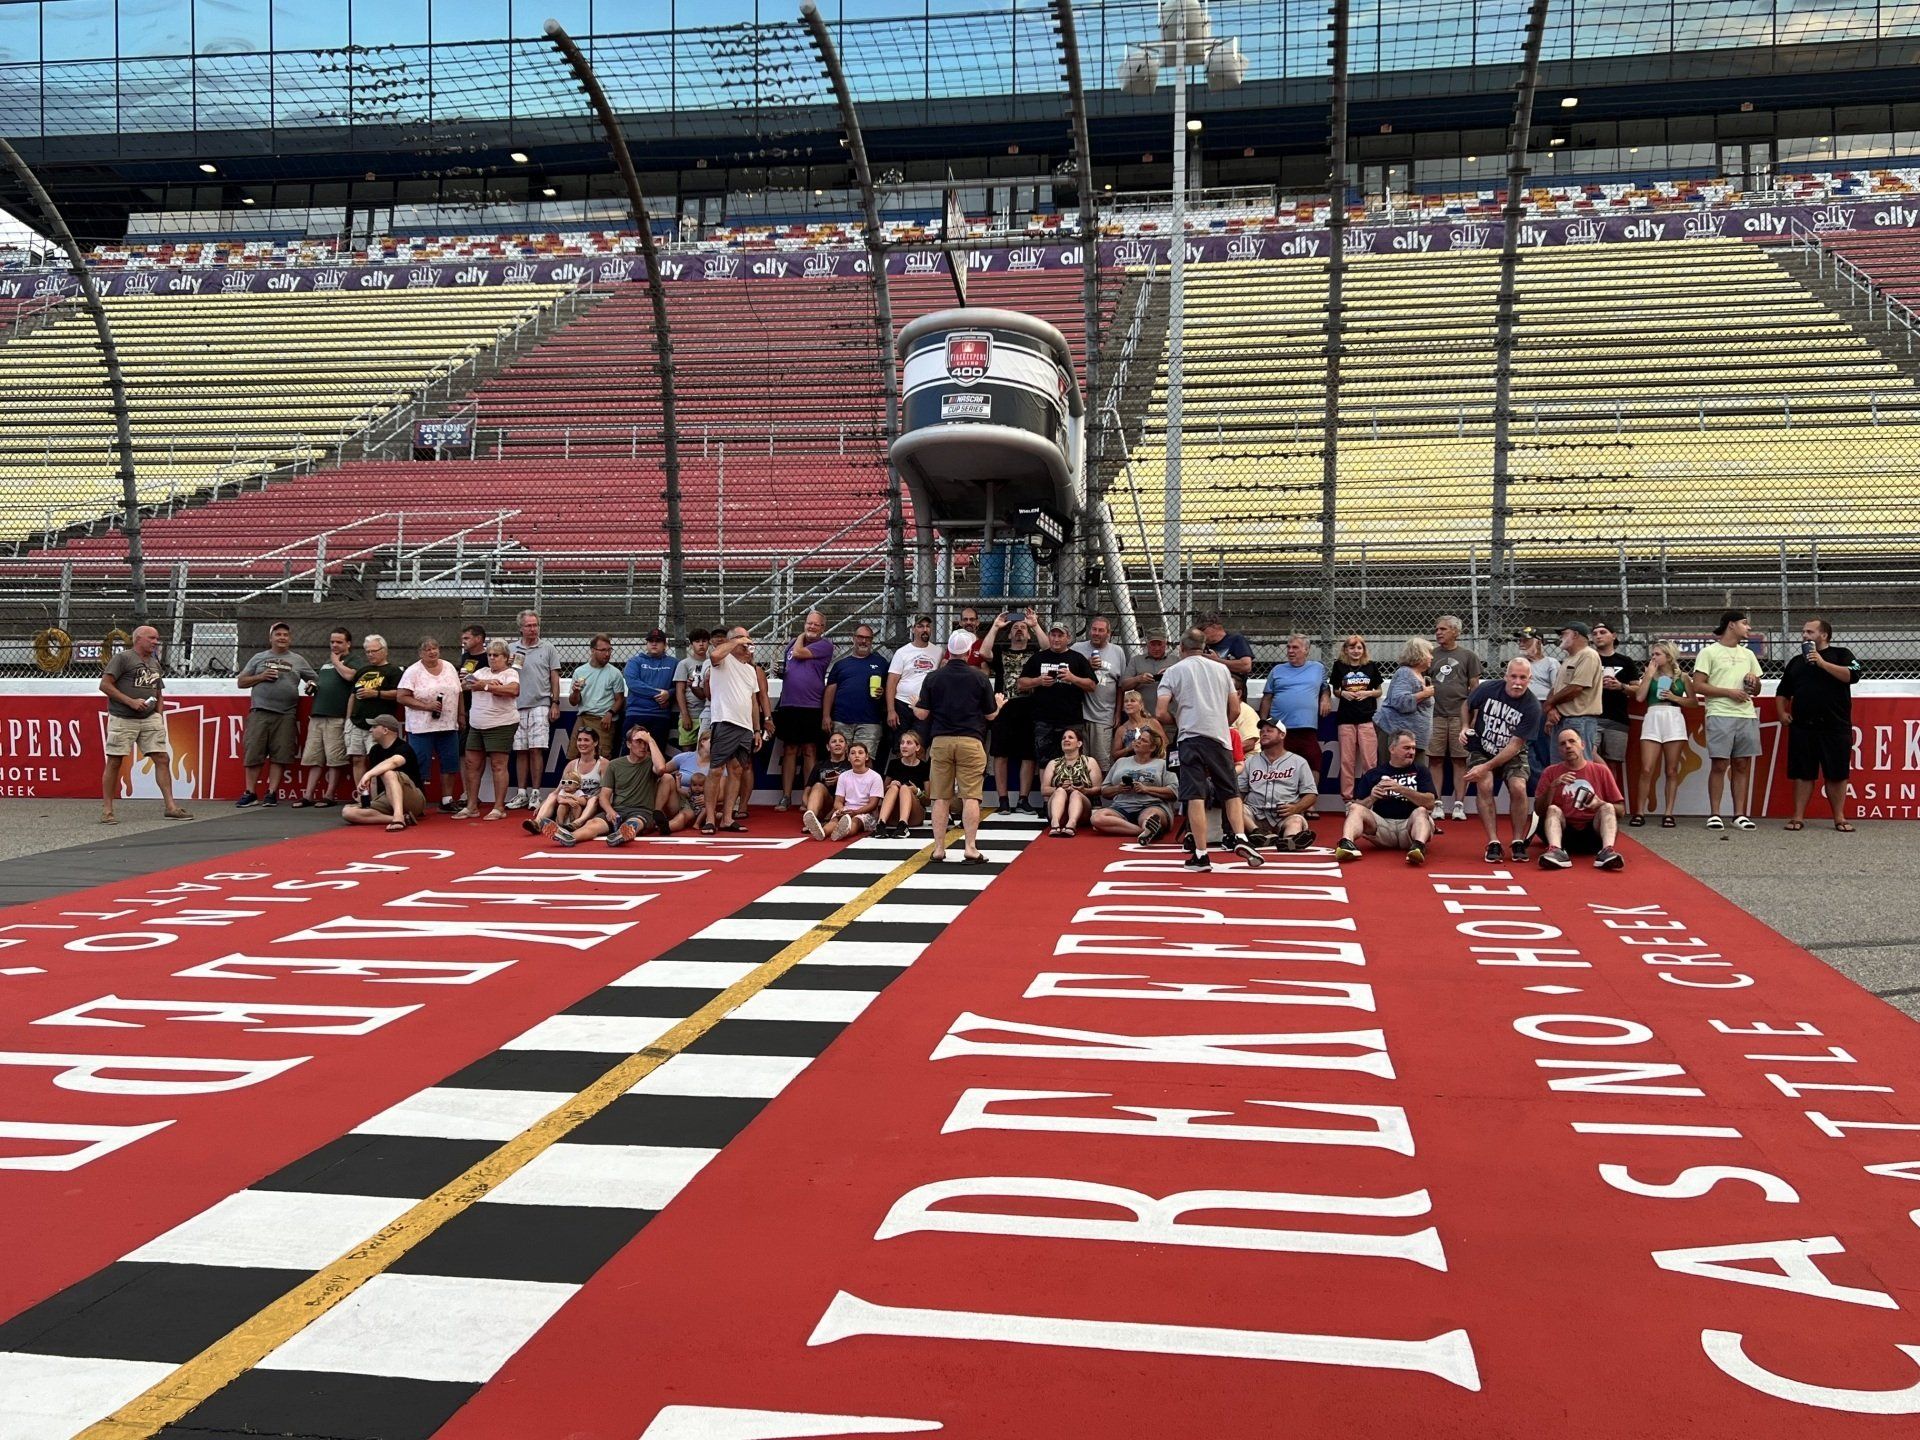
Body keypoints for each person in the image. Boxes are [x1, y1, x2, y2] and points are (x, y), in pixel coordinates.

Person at [1157, 627, 1264, 871]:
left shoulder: (1174, 671)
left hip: (1190, 738)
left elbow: (1160, 712)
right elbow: (1235, 709)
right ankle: (1240, 836)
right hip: (1219, 737)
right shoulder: (1222, 670)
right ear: (1204, 647)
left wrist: (1178, 720)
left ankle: (1201, 854)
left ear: (1181, 648)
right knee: (1230, 790)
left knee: (1195, 795)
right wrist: (1220, 723)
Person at [914, 627, 1001, 863]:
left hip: (941, 740)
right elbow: (991, 715)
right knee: (971, 796)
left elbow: (922, 714)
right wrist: (1000, 704)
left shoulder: (933, 677)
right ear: (968, 651)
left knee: (940, 797)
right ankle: (970, 847)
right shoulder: (980, 678)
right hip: (971, 740)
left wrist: (914, 705)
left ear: (949, 651)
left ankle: (939, 848)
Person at [1778, 617, 1863, 833]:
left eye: (1810, 632)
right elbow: (1783, 691)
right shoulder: (1796, 662)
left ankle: (1839, 817)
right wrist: (1781, 712)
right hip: (1803, 726)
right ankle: (1797, 817)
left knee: (1837, 773)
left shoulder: (1842, 654)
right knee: (1802, 774)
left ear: (1823, 635)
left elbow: (1854, 675)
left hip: (1835, 725)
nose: (1804, 636)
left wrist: (1822, 663)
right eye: (1803, 632)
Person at [99, 624, 190, 823]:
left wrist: (159, 714)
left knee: (162, 758)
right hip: (123, 717)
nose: (156, 642)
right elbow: (105, 685)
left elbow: (158, 691)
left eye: (157, 638)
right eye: (152, 638)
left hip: (149, 718)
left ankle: (171, 806)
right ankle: (107, 810)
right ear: (138, 638)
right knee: (115, 760)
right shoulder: (123, 658)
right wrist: (130, 701)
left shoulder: (154, 662)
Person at [1461, 658, 1543, 864]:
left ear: (1529, 679)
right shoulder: (1488, 689)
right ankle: (1493, 842)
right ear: (1506, 676)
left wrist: (1486, 767)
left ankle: (1517, 840)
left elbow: (1515, 745)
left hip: (1512, 752)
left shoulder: (1532, 707)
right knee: (1485, 784)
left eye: (1522, 678)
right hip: (1481, 746)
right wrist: (1463, 727)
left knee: (1518, 787)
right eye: (1513, 676)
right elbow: (1467, 704)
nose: (1517, 682)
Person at [1689, 610, 1764, 831]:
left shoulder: (1748, 655)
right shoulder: (1709, 652)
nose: (1748, 628)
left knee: (1742, 764)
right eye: (1744, 623)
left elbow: (1757, 690)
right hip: (1720, 713)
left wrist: (1753, 682)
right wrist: (1728, 692)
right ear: (1731, 625)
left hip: (1746, 714)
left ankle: (1739, 814)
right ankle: (1715, 814)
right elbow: (1698, 685)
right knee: (1720, 764)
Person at [235, 621, 315, 807]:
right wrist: (260, 677)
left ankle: (272, 793)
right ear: (270, 638)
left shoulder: (298, 660)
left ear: (290, 639)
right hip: (260, 712)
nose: (282, 638)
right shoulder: (258, 658)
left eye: (285, 635)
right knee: (254, 754)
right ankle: (250, 793)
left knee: (280, 755)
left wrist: (312, 685)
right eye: (278, 634)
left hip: (286, 714)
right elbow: (241, 682)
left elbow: (314, 679)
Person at [1335, 730, 1438, 863]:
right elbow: (1358, 807)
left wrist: (1401, 789)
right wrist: (1372, 797)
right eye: (1406, 748)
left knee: (1422, 811)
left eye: (1413, 748)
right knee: (1355, 808)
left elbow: (1430, 803)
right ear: (1392, 749)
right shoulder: (1374, 773)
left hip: (1409, 828)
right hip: (1383, 828)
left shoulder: (1421, 770)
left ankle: (1418, 847)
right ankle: (1346, 844)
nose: (1412, 752)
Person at [1534, 728, 1626, 870]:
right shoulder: (1550, 772)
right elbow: (1539, 811)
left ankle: (1607, 851)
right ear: (1559, 750)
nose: (1568, 746)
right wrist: (1552, 787)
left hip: (1593, 834)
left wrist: (1599, 803)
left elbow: (1621, 811)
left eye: (1572, 741)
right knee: (1552, 809)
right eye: (1563, 744)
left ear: (1582, 745)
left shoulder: (1600, 770)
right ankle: (1556, 851)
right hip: (1564, 834)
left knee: (1607, 807)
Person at [572, 724, 680, 846]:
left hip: (642, 812)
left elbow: (661, 769)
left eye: (645, 743)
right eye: (638, 742)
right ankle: (570, 837)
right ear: (629, 744)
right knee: (593, 824)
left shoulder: (651, 762)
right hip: (618, 810)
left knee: (633, 824)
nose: (643, 746)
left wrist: (650, 740)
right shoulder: (614, 765)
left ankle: (621, 835)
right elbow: (604, 796)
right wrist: (610, 811)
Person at [702, 624, 764, 833]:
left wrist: (756, 729)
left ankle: (727, 818)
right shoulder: (723, 660)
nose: (747, 643)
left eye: (748, 639)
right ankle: (710, 818)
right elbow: (715, 654)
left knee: (737, 770)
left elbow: (754, 702)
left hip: (745, 727)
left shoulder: (750, 670)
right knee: (716, 770)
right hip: (725, 721)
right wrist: (737, 640)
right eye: (742, 639)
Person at [775, 611, 835, 812]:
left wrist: (799, 637)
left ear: (822, 628)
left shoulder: (824, 645)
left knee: (810, 750)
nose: (811, 627)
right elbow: (791, 666)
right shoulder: (791, 645)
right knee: (790, 749)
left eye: (816, 625)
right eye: (808, 623)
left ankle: (807, 797)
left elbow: (800, 653)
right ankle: (786, 796)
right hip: (789, 704)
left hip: (811, 705)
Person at [455, 639, 520, 820]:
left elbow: (513, 690)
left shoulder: (511, 673)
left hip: (501, 724)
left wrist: (484, 686)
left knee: (498, 765)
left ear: (506, 657)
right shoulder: (481, 671)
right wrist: (486, 682)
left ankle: (499, 807)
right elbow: (464, 684)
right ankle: (471, 806)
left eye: (496, 655)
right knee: (471, 765)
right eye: (490, 655)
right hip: (476, 724)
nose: (492, 658)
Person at [1426, 615, 1482, 824]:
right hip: (1435, 715)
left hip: (1460, 717)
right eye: (1437, 629)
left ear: (1455, 632)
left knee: (1460, 760)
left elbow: (1475, 688)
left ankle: (1459, 804)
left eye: (1443, 629)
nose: (1438, 632)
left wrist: (1474, 716)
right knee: (1435, 759)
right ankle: (1437, 803)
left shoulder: (1468, 656)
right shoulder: (1430, 655)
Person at [397, 635, 463, 813]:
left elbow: (459, 692)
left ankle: (447, 799)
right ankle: (417, 801)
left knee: (450, 762)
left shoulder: (449, 667)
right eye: (427, 649)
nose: (432, 652)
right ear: (420, 653)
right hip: (421, 726)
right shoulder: (413, 671)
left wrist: (461, 715)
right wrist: (426, 706)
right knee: (420, 763)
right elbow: (401, 696)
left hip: (448, 724)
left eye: (435, 648)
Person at [1631, 641, 1692, 829]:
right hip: (1653, 716)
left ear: (1668, 656)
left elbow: (1693, 702)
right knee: (1647, 768)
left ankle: (1668, 813)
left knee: (1671, 769)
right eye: (1653, 654)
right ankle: (1639, 812)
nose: (1653, 657)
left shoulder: (1683, 676)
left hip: (1673, 717)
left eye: (1657, 654)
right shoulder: (1649, 674)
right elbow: (1640, 697)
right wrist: (1648, 676)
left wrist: (1673, 697)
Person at [1020, 621, 1097, 768]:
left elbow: (1092, 685)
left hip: (1071, 719)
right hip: (1043, 719)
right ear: (1048, 637)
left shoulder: (1077, 658)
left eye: (1060, 635)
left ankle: (1071, 790)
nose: (1056, 639)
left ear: (1068, 638)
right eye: (1053, 635)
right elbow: (1021, 683)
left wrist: (1072, 678)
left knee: (1072, 760)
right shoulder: (1038, 658)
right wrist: (1039, 681)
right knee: (1044, 762)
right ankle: (1047, 790)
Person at [294, 626, 355, 809]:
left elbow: (350, 676)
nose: (335, 645)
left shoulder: (353, 660)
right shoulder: (325, 665)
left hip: (336, 716)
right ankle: (308, 795)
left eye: (339, 642)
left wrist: (336, 661)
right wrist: (313, 685)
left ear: (348, 644)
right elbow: (322, 683)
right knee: (314, 758)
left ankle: (329, 795)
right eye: (332, 642)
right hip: (317, 715)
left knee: (334, 759)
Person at [507, 610, 561, 812]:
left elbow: (554, 677)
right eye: (528, 625)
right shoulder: (510, 649)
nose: (532, 629)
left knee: (536, 749)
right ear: (520, 628)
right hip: (516, 705)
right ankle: (521, 793)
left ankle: (536, 793)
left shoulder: (548, 648)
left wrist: (555, 702)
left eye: (535, 625)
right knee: (520, 750)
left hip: (540, 703)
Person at [1240, 717, 1318, 852]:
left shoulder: (1299, 762)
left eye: (1269, 730)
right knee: (1237, 808)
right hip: (1255, 815)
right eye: (1262, 731)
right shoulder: (1250, 761)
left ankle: (1290, 840)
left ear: (1282, 735)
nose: (1264, 733)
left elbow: (1311, 794)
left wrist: (1296, 808)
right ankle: (1258, 834)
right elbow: (1240, 792)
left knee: (1296, 821)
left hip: (1284, 815)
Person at [524, 723, 609, 843]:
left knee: (594, 798)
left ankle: (577, 823)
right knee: (553, 796)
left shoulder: (603, 763)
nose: (582, 743)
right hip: (571, 799)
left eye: (586, 740)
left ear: (595, 743)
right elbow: (559, 789)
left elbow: (606, 789)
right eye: (579, 740)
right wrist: (544, 804)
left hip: (592, 802)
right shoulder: (571, 764)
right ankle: (537, 823)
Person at [340, 713, 426, 832]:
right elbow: (374, 783)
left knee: (388, 773)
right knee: (348, 812)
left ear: (385, 730)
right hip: (387, 797)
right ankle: (400, 818)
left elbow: (394, 762)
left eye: (374, 727)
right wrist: (371, 804)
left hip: (413, 799)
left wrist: (368, 774)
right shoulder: (375, 750)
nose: (370, 730)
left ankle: (398, 818)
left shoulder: (404, 747)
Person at [1257, 633, 1328, 774]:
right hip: (1280, 728)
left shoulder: (1318, 668)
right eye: (1288, 647)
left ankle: (1310, 795)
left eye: (1295, 647)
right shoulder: (1277, 670)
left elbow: (1325, 687)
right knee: (1278, 766)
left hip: (1306, 727)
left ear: (1306, 650)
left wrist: (1325, 697)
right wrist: (1264, 723)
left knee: (1314, 762)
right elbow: (1267, 698)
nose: (1290, 651)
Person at [1092, 728, 1176, 845]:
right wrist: (1118, 789)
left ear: (1152, 748)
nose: (1138, 741)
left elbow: (1173, 792)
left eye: (1143, 740)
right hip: (1121, 808)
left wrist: (1146, 789)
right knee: (1097, 818)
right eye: (1138, 738)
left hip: (1151, 805)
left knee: (1149, 818)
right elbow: (1104, 791)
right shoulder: (1120, 762)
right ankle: (1144, 831)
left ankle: (1148, 827)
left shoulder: (1162, 764)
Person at [989, 617, 1039, 811]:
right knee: (1001, 753)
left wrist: (1035, 625)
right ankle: (1002, 799)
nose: (1019, 630)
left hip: (1029, 707)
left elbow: (1046, 645)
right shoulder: (1000, 651)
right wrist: (995, 627)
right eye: (1015, 628)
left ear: (1028, 635)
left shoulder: (1035, 654)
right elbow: (984, 652)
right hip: (1004, 707)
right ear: (1009, 634)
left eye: (1023, 628)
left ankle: (1023, 798)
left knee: (1028, 755)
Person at [1591, 622, 1641, 809]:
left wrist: (1621, 686)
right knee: (1589, 755)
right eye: (1594, 633)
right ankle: (1593, 802)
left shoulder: (1625, 661)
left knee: (1614, 762)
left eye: (1603, 632)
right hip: (1592, 716)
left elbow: (1637, 690)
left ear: (1614, 635)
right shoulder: (1589, 658)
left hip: (1618, 718)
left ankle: (1610, 804)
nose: (1598, 636)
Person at [345, 633, 403, 791]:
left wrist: (376, 693)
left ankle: (379, 796)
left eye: (374, 651)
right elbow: (352, 695)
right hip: (356, 723)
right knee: (357, 759)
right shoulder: (362, 671)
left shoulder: (394, 671)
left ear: (384, 650)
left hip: (379, 725)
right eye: (367, 652)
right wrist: (348, 719)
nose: (370, 654)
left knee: (378, 761)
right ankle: (362, 796)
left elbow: (399, 694)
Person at [1328, 635, 1382, 804]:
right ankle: (1348, 800)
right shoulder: (1339, 666)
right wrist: (1343, 693)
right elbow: (1335, 690)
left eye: (1359, 648)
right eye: (1352, 648)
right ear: (1346, 650)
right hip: (1346, 720)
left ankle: (1369, 798)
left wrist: (1368, 693)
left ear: (1363, 650)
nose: (1356, 651)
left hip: (1366, 718)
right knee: (1347, 761)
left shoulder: (1371, 666)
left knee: (1369, 762)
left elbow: (1379, 690)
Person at [822, 622, 888, 756]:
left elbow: (890, 688)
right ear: (854, 638)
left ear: (872, 641)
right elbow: (830, 691)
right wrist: (826, 716)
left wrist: (883, 691)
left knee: (866, 760)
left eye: (868, 638)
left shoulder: (881, 663)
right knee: (841, 759)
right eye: (860, 637)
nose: (864, 641)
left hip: (870, 722)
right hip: (841, 720)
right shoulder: (840, 665)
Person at [1070, 615, 1127, 762]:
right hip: (1079, 714)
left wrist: (1118, 713)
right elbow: (1067, 677)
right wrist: (1086, 666)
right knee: (1079, 759)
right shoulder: (1077, 648)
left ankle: (1101, 785)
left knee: (1102, 760)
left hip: (1104, 714)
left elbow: (1120, 686)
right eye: (1094, 629)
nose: (1096, 633)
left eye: (1101, 630)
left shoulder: (1117, 651)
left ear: (1108, 634)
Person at [1545, 621, 1603, 760]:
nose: (1560, 637)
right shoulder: (1569, 658)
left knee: (1579, 766)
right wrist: (1551, 709)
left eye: (1564, 633)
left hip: (1579, 719)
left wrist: (1549, 704)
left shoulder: (1588, 655)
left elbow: (1576, 688)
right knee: (1558, 767)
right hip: (1562, 719)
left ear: (1576, 634)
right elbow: (1556, 688)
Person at [568, 632, 628, 764]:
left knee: (602, 758)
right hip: (583, 717)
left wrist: (610, 713)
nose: (607, 654)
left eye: (609, 650)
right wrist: (576, 692)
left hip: (603, 720)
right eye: (603, 650)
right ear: (593, 651)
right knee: (573, 756)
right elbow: (573, 702)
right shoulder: (580, 672)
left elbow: (620, 699)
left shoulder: (615, 673)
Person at [621, 627, 678, 758]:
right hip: (636, 714)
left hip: (660, 716)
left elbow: (679, 687)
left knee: (655, 756)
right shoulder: (635, 661)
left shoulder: (674, 663)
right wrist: (658, 693)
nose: (654, 643)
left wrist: (669, 694)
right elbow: (633, 684)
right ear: (646, 644)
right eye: (650, 640)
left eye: (658, 641)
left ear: (665, 644)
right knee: (628, 755)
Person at [1515, 628, 1560, 791]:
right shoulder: (1518, 662)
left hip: (1542, 707)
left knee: (1545, 750)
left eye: (1526, 640)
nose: (1521, 643)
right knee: (1526, 750)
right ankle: (1542, 788)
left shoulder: (1551, 662)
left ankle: (1551, 789)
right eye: (1520, 640)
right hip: (1522, 706)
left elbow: (1556, 688)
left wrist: (1551, 709)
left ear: (1538, 642)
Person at [885, 613, 942, 742]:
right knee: (901, 744)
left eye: (927, 626)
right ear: (913, 629)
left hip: (925, 705)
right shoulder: (902, 652)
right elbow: (892, 682)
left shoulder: (938, 651)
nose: (925, 629)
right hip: (902, 704)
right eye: (920, 626)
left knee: (920, 744)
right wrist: (891, 710)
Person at [1376, 638, 1435, 762]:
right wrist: (1423, 694)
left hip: (1415, 738)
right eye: (1429, 653)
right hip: (1398, 735)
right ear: (1420, 654)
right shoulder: (1405, 673)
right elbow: (1399, 701)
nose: (1432, 657)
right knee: (1394, 773)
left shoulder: (1420, 675)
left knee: (1415, 775)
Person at [1039, 725, 1103, 837]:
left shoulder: (1089, 761)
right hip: (1057, 808)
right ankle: (1055, 823)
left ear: (1079, 743)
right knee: (1060, 791)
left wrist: (1084, 790)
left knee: (1076, 793)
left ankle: (1071, 823)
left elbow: (1099, 789)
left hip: (1082, 810)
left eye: (1070, 737)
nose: (1066, 740)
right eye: (1064, 738)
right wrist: (1060, 787)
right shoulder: (1053, 763)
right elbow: (1044, 790)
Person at [875, 729, 930, 838]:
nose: (904, 746)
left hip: (914, 816)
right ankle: (881, 824)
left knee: (905, 788)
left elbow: (928, 801)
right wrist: (890, 786)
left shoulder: (924, 766)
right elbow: (882, 793)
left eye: (909, 743)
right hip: (893, 814)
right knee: (895, 787)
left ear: (917, 747)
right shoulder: (893, 764)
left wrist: (917, 791)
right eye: (902, 743)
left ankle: (903, 826)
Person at [825, 741, 885, 840]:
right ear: (848, 757)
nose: (856, 755)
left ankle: (843, 833)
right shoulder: (843, 776)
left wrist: (855, 812)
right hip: (847, 810)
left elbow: (873, 804)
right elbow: (838, 801)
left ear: (866, 757)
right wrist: (841, 810)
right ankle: (822, 832)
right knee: (835, 819)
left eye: (860, 753)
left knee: (856, 821)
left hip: (866, 813)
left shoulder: (875, 777)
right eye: (853, 753)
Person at [798, 730, 852, 839]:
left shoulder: (851, 766)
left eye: (841, 741)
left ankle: (825, 822)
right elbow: (806, 792)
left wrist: (841, 780)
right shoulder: (819, 765)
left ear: (846, 747)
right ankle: (811, 820)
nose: (837, 744)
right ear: (828, 747)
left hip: (844, 805)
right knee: (818, 786)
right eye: (834, 741)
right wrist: (808, 804)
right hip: (825, 804)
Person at [1121, 630, 1172, 721]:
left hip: (1168, 718)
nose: (1156, 648)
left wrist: (1171, 675)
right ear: (1147, 644)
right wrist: (1138, 679)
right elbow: (1123, 685)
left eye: (1160, 644)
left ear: (1166, 644)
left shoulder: (1175, 661)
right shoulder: (1136, 661)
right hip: (1143, 717)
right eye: (1153, 644)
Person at [673, 628, 712, 750]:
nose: (701, 644)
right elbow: (679, 691)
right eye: (697, 641)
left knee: (705, 751)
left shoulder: (712, 663)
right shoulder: (684, 664)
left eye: (704, 641)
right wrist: (685, 715)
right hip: (691, 714)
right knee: (687, 751)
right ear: (691, 645)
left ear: (709, 644)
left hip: (708, 713)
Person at [1111, 686, 1167, 764]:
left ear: (1141, 705)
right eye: (1126, 701)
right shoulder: (1121, 729)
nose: (1128, 703)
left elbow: (1165, 743)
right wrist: (1128, 748)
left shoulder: (1152, 723)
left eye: (1133, 701)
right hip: (1130, 765)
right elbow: (1114, 755)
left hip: (1153, 763)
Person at [1198, 611, 1254, 680]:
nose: (1200, 633)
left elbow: (1246, 666)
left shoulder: (1235, 639)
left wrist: (1216, 660)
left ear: (1214, 627)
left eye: (1202, 629)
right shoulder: (1201, 643)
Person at [671, 729, 712, 819]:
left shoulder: (718, 765)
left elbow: (723, 792)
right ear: (703, 741)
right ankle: (657, 811)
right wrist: (676, 778)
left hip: (701, 806)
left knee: (683, 817)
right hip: (678, 800)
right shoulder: (684, 757)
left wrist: (709, 799)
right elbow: (660, 770)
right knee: (666, 778)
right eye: (714, 741)